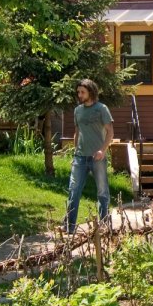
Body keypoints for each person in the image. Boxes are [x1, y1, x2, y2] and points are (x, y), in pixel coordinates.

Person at [65, 79, 114, 234]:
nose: (79, 95)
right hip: (80, 158)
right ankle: (69, 227)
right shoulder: (78, 110)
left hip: (97, 157)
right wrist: (75, 151)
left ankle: (104, 225)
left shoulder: (101, 109)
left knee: (102, 192)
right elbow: (77, 132)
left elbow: (110, 132)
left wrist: (103, 150)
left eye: (82, 92)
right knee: (74, 191)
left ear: (91, 92)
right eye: (78, 92)